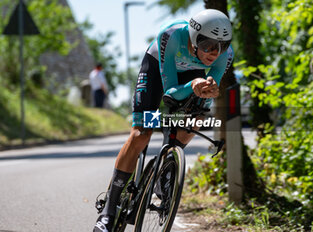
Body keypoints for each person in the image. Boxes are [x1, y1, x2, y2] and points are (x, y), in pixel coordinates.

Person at [93, 9, 234, 232]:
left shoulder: (225, 55)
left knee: (192, 124)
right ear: (195, 37)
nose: (215, 52)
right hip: (158, 69)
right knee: (142, 133)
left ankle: (167, 168)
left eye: (222, 45)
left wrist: (206, 92)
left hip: (191, 75)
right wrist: (193, 85)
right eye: (208, 44)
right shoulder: (172, 35)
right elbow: (170, 92)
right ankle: (109, 210)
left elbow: (205, 100)